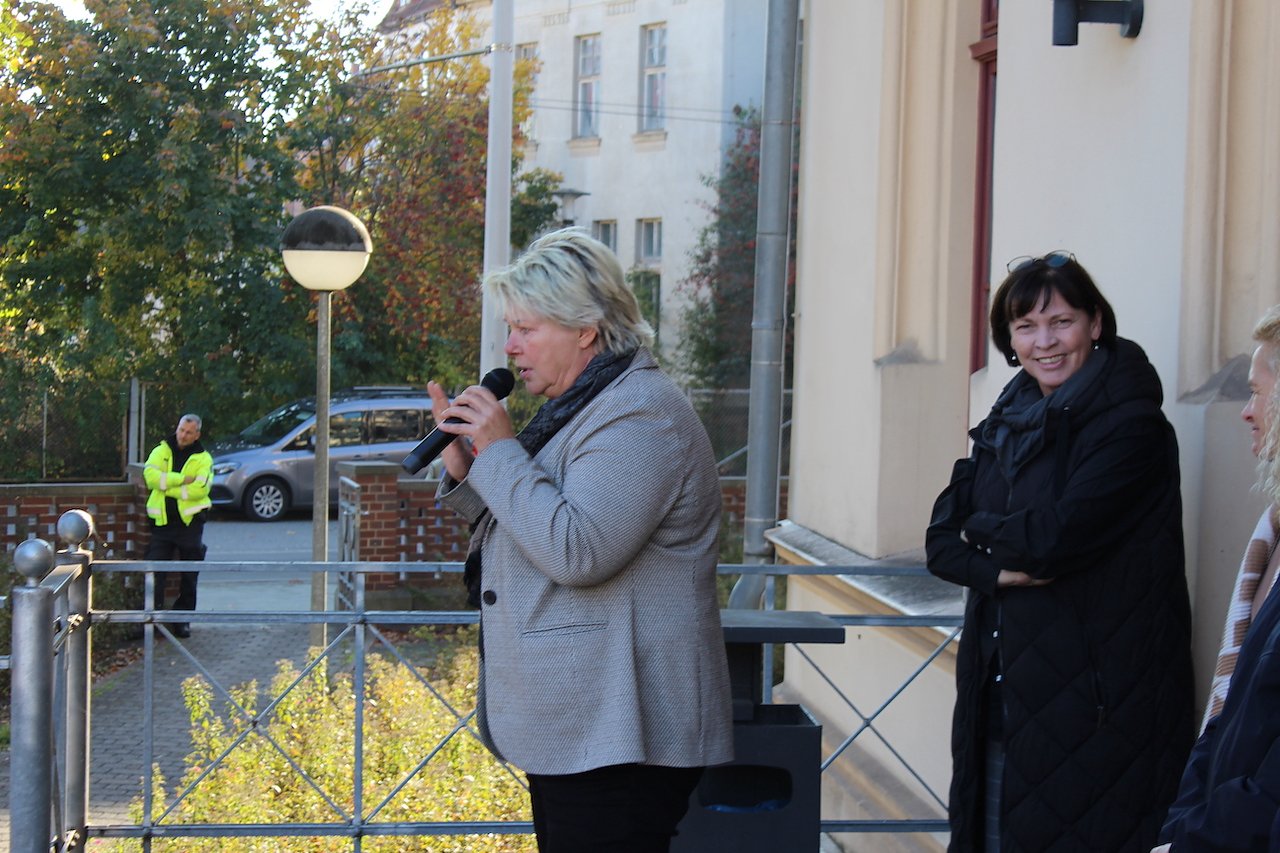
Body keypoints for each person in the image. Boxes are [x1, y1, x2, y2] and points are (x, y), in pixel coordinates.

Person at [427, 228, 733, 853]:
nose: (510, 347)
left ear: (586, 328)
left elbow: (578, 549)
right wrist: (469, 470)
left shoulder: (640, 413)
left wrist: (500, 451)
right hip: (587, 725)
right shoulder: (585, 405)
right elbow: (536, 519)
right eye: (511, 329)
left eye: (526, 328)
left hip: (626, 731)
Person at [925, 251, 1195, 852]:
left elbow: (1052, 540)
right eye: (1025, 326)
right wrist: (998, 574)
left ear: (1095, 323)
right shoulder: (1006, 420)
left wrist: (980, 532)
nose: (1044, 342)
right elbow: (939, 545)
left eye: (1061, 322)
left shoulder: (1131, 428)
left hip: (1098, 710)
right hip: (1000, 693)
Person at [1154, 305, 1280, 852]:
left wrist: (1190, 842)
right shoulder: (1273, 533)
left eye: (1257, 392)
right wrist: (1181, 830)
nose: (1246, 412)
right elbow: (1227, 723)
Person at [142, 413, 213, 639]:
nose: (183, 435)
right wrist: (181, 480)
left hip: (190, 524)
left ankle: (182, 621)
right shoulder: (161, 450)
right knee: (154, 573)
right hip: (162, 524)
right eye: (181, 430)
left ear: (197, 435)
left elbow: (200, 489)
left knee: (189, 575)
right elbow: (150, 477)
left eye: (188, 432)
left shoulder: (203, 458)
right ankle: (151, 620)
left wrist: (166, 486)